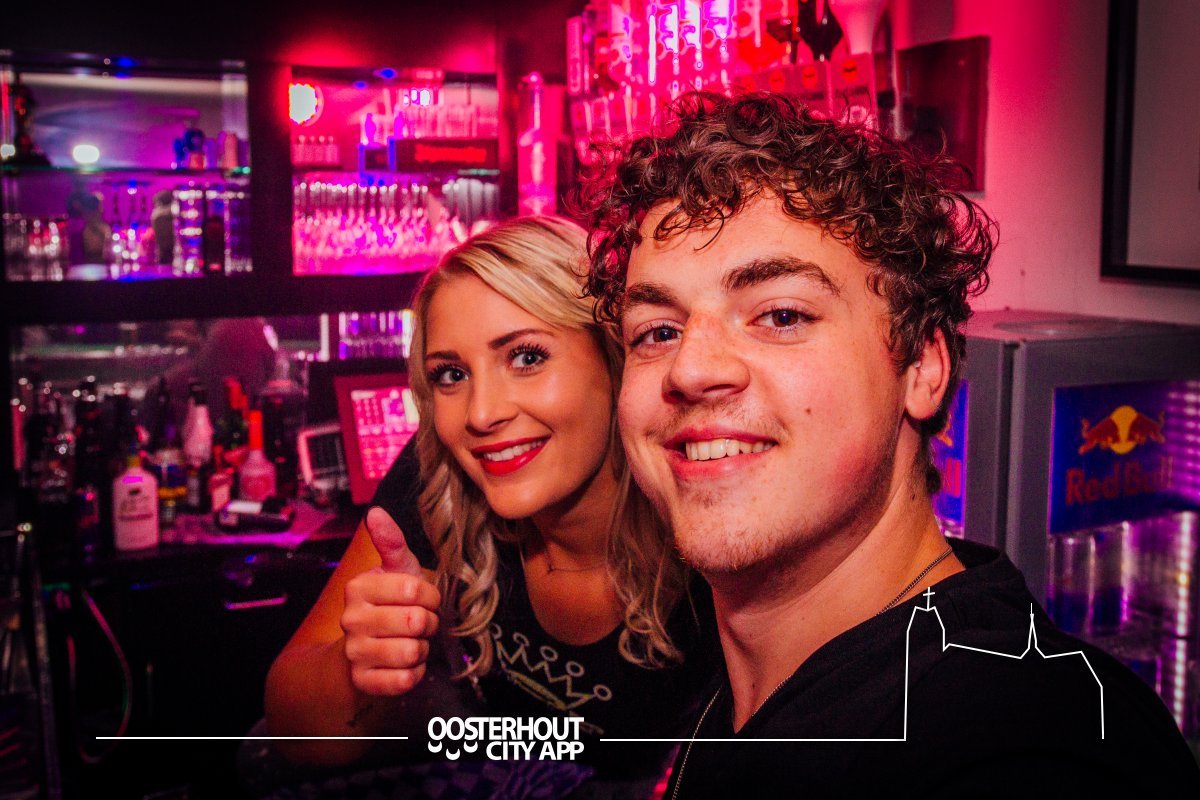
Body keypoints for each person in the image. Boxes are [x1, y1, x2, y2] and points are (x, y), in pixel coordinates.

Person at [579, 92, 1200, 797]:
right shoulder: (744, 672)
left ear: (922, 369)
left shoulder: (1027, 743)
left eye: (781, 316)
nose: (690, 370)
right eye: (658, 332)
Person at [264, 216, 716, 790]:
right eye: (451, 374)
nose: (480, 414)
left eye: (526, 357)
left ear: (614, 359)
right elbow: (290, 728)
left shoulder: (710, 529)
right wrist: (363, 672)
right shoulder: (440, 477)